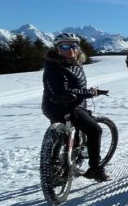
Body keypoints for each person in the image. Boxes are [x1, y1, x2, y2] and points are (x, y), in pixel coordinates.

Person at [41, 32, 109, 181]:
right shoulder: (55, 66)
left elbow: (74, 86)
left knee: (73, 132)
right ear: (57, 48)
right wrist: (89, 93)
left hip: (64, 105)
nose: (70, 49)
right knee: (95, 130)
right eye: (65, 46)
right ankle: (95, 169)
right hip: (62, 106)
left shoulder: (72, 63)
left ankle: (61, 165)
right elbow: (62, 92)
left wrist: (86, 93)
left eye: (74, 46)